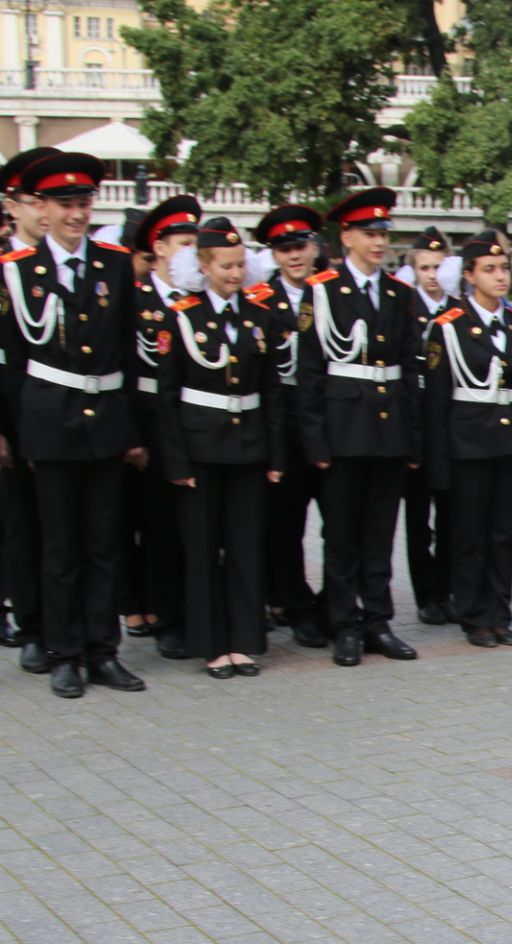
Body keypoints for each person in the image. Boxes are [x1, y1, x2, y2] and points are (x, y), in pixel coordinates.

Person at [0, 152, 148, 697]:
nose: (77, 215)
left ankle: (102, 650)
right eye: (66, 205)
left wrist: (132, 432)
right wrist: (13, 433)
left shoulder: (113, 263)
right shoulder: (15, 273)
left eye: (84, 203)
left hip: (105, 419)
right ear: (40, 207)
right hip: (49, 424)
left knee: (103, 543)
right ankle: (64, 652)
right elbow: (12, 364)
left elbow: (130, 356)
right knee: (60, 547)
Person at [153, 219, 284, 678]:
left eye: (239, 265)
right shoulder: (180, 317)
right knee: (204, 549)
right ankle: (211, 644)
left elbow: (271, 391)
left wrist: (275, 456)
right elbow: (166, 396)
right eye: (225, 265)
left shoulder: (259, 316)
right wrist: (176, 461)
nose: (234, 273)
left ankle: (244, 641)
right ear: (204, 266)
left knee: (246, 546)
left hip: (248, 445)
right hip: (200, 447)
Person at [298, 187, 422, 668]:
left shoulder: (398, 293)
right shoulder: (321, 291)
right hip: (343, 429)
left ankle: (377, 620)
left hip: (388, 432)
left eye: (382, 234)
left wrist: (411, 437)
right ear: (345, 236)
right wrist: (316, 441)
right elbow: (310, 372)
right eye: (369, 234)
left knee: (379, 533)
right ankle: (344, 624)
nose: (378, 243)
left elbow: (410, 371)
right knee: (342, 535)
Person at [422, 238, 512, 647]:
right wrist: (437, 466)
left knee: (503, 533)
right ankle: (473, 614)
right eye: (489, 269)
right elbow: (436, 402)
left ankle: (499, 612)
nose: (500, 276)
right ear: (469, 276)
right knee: (469, 534)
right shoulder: (447, 326)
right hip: (468, 444)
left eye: (504, 268)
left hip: (511, 444)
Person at [248, 204, 330, 648]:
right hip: (284, 425)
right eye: (283, 248)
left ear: (315, 246)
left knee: (337, 524)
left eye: (300, 245)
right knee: (285, 525)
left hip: (331, 424)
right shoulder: (259, 300)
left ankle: (333, 603)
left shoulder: (332, 292)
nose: (294, 255)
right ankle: (295, 606)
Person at [125, 193, 202, 661]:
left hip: (195, 424)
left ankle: (195, 612)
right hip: (151, 421)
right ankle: (164, 616)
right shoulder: (136, 300)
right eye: (183, 242)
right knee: (157, 526)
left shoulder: (197, 301)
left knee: (193, 526)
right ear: (159, 247)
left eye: (195, 241)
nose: (192, 250)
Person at [0, 146, 61, 665]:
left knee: (72, 529)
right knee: (24, 526)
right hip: (14, 414)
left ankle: (76, 627)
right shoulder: (4, 268)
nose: (46, 211)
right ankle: (35, 626)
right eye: (33, 199)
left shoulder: (73, 260)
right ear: (13, 205)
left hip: (69, 419)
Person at [401, 226, 456, 624]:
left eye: (438, 266)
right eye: (424, 267)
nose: (432, 275)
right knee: (418, 518)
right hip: (417, 421)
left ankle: (447, 587)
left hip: (453, 425)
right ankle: (426, 595)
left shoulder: (458, 309)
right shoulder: (404, 307)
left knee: (452, 515)